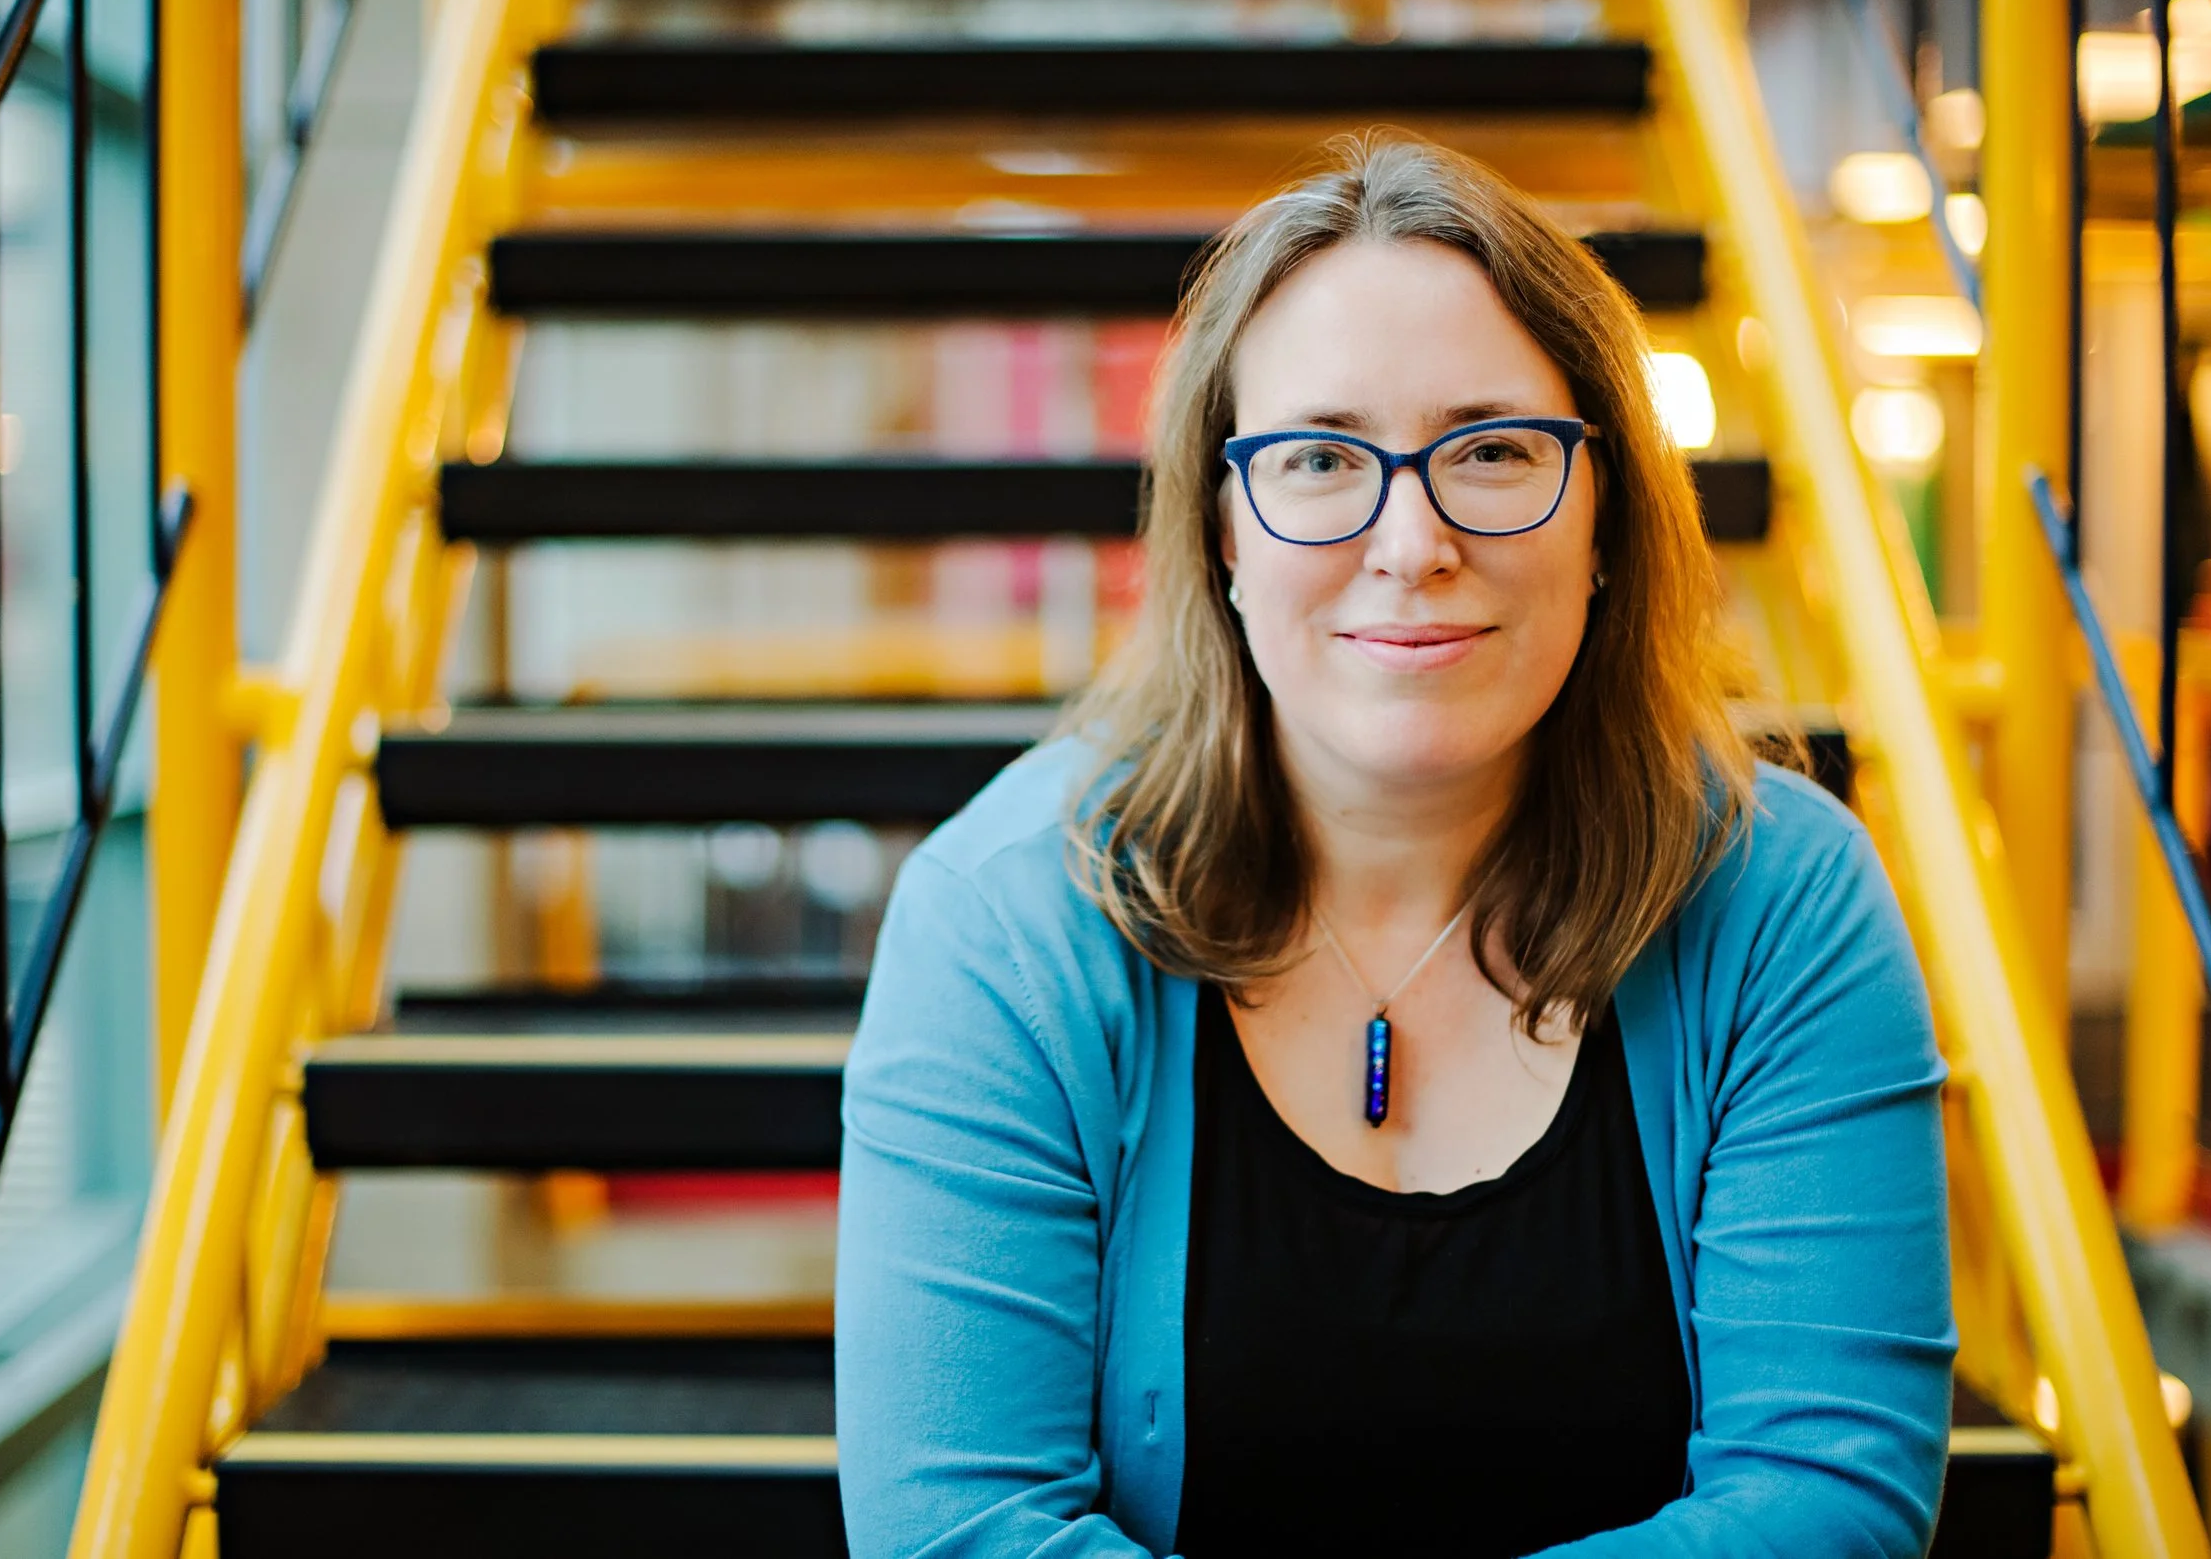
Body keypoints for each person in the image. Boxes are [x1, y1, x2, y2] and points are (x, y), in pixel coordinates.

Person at [834, 134, 1953, 1557]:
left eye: (1492, 451)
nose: (1412, 540)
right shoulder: (1010, 921)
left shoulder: (1781, 902)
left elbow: (1828, 1503)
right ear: (1223, 532)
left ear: (1606, 514)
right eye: (1319, 457)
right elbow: (958, 1527)